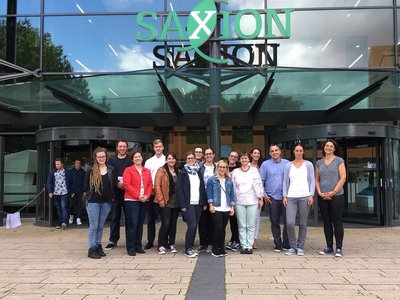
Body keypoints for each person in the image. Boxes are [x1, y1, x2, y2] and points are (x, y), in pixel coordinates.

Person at [315, 139, 346, 257]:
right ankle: (329, 247)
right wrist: (319, 192)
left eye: (331, 146)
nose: (328, 148)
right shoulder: (319, 163)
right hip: (323, 197)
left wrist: (333, 192)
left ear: (334, 148)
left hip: (336, 196)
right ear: (324, 148)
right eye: (326, 146)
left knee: (337, 222)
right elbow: (317, 179)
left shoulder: (339, 161)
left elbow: (343, 178)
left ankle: (339, 248)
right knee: (326, 222)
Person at [283, 143, 315, 256]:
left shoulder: (308, 165)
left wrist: (311, 195)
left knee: (303, 223)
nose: (299, 152)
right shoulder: (288, 165)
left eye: (301, 150)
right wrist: (284, 196)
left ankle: (300, 247)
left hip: (304, 196)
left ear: (303, 152)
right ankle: (292, 246)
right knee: (290, 223)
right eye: (297, 150)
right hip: (291, 197)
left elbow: (312, 180)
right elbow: (285, 181)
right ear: (293, 152)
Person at [84, 147, 117, 259]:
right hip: (93, 202)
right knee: (94, 226)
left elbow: (113, 184)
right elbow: (85, 186)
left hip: (106, 202)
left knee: (101, 226)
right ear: (95, 158)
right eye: (99, 157)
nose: (101, 158)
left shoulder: (111, 169)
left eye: (103, 156)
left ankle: (98, 246)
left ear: (106, 157)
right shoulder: (91, 170)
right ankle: (92, 248)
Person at [231, 152, 264, 255]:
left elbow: (259, 184)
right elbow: (232, 187)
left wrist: (260, 198)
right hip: (239, 201)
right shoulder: (235, 171)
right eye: (242, 158)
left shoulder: (254, 171)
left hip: (253, 201)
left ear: (249, 160)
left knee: (250, 225)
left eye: (246, 158)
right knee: (241, 225)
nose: (244, 160)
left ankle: (249, 246)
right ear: (239, 160)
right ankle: (243, 246)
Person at [260, 144, 290, 252]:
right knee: (275, 221)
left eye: (276, 150)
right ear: (269, 153)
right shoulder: (265, 164)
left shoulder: (287, 163)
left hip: (286, 197)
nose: (274, 152)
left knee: (288, 221)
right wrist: (264, 195)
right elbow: (261, 181)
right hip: (272, 197)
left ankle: (286, 243)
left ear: (280, 151)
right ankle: (278, 244)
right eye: (272, 151)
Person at [177, 151, 207, 258]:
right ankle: (187, 249)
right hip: (188, 204)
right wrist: (182, 205)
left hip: (198, 203)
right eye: (188, 158)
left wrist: (203, 202)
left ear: (195, 159)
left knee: (194, 226)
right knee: (192, 225)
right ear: (186, 160)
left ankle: (190, 247)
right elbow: (179, 190)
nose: (190, 160)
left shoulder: (198, 171)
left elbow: (202, 187)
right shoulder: (182, 173)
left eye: (192, 158)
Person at [123, 150, 153, 256]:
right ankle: (130, 247)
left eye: (139, 156)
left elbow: (150, 185)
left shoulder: (146, 171)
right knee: (133, 224)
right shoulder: (128, 170)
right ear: (132, 159)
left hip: (144, 200)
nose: (138, 158)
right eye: (135, 157)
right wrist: (138, 195)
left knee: (140, 224)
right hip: (131, 201)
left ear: (142, 158)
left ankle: (138, 245)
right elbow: (126, 185)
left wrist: (147, 196)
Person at [105, 140, 132, 250]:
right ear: (117, 147)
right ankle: (113, 240)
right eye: (120, 146)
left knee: (129, 218)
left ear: (127, 148)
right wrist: (117, 183)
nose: (122, 148)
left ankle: (130, 240)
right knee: (115, 217)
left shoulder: (130, 160)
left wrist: (125, 184)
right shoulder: (111, 160)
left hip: (128, 193)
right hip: (115, 193)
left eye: (124, 146)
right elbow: (110, 174)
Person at [206, 160, 235, 257]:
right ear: (217, 168)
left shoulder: (229, 180)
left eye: (224, 167)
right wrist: (210, 205)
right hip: (216, 207)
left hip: (226, 207)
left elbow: (231, 195)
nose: (222, 169)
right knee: (217, 227)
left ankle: (221, 247)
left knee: (223, 228)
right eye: (220, 167)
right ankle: (215, 248)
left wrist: (232, 207)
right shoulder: (212, 179)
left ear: (226, 169)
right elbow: (209, 193)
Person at [154, 152, 180, 255]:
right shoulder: (161, 170)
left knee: (173, 224)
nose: (171, 160)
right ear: (166, 160)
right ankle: (161, 244)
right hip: (165, 201)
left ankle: (171, 243)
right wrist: (161, 200)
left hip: (176, 202)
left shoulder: (178, 171)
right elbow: (157, 185)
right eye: (169, 158)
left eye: (173, 158)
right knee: (166, 223)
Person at [144, 139, 166, 250]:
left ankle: (163, 241)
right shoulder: (148, 162)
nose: (158, 148)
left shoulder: (167, 160)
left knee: (164, 218)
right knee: (151, 218)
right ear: (154, 148)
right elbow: (146, 177)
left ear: (163, 148)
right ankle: (150, 241)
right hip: (151, 193)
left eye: (160, 146)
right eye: (156, 146)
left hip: (163, 194)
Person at [197, 146, 216, 252]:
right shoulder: (199, 167)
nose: (209, 155)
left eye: (210, 154)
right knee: (203, 222)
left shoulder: (217, 167)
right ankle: (203, 243)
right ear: (204, 155)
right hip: (203, 197)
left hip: (214, 197)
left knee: (213, 222)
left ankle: (212, 243)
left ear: (213, 155)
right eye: (207, 154)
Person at [47, 158, 72, 229]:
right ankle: (60, 222)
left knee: (64, 207)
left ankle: (64, 222)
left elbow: (71, 182)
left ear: (62, 164)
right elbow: (49, 182)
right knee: (58, 208)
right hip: (56, 193)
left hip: (64, 192)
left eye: (58, 164)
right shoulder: (52, 172)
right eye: (56, 164)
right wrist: (50, 191)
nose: (57, 165)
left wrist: (72, 191)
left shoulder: (67, 172)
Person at [226, 150, 241, 251]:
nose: (233, 158)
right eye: (231, 156)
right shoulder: (223, 167)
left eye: (235, 156)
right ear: (228, 156)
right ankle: (233, 239)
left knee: (235, 221)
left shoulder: (239, 168)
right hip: (224, 197)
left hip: (236, 198)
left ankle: (236, 240)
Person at [249, 148, 263, 249]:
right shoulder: (247, 165)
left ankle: (254, 239)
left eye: (258, 153)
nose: (256, 155)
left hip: (258, 196)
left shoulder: (262, 166)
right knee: (248, 219)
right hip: (248, 196)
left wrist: (261, 197)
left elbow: (262, 183)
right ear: (251, 154)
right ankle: (247, 239)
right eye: (255, 153)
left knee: (256, 219)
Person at [69, 159, 86, 226]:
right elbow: (69, 183)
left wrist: (84, 191)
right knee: (72, 205)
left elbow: (84, 183)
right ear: (74, 164)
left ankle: (78, 218)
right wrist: (71, 191)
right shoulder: (70, 172)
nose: (78, 164)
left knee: (80, 205)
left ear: (80, 164)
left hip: (80, 191)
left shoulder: (83, 172)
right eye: (76, 163)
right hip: (72, 192)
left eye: (79, 163)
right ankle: (71, 216)